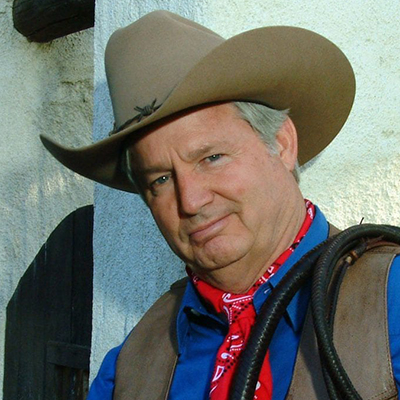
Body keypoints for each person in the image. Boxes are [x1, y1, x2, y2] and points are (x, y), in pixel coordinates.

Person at [40, 10, 400, 400]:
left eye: (211, 158)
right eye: (160, 180)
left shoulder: (389, 302)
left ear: (281, 144)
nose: (191, 201)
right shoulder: (133, 363)